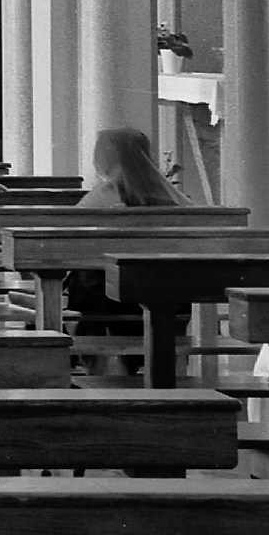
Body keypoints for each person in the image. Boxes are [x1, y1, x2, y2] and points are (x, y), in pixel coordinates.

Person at [65, 127, 183, 372]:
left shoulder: (103, 195)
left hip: (113, 297)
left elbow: (70, 236)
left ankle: (97, 368)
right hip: (169, 296)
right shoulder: (170, 196)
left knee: (88, 279)